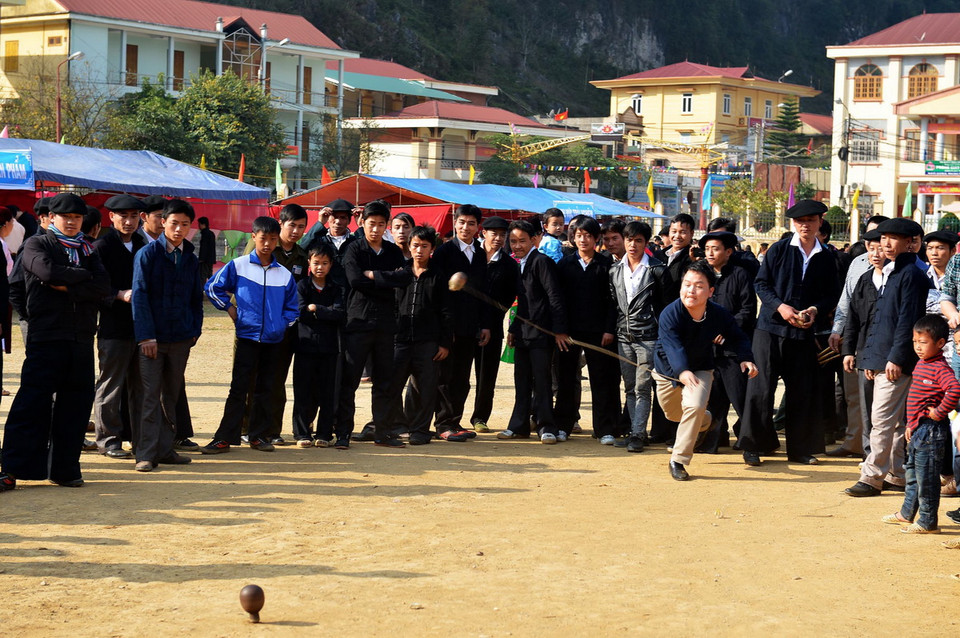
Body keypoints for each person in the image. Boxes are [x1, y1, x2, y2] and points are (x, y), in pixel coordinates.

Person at [0, 193, 110, 491]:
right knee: (32, 404)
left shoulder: (88, 248)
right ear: (52, 218)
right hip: (47, 336)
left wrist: (69, 286)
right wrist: (35, 317)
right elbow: (45, 273)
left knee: (75, 406)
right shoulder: (38, 243)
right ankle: (12, 468)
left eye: (77, 218)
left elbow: (102, 285)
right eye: (66, 217)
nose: (72, 222)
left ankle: (64, 469)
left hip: (81, 337)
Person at [739, 200, 840, 467]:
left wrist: (816, 310)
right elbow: (761, 283)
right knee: (760, 388)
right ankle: (752, 446)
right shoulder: (779, 250)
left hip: (804, 333)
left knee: (802, 391)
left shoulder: (828, 256)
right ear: (792, 224)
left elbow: (832, 294)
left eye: (810, 220)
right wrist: (781, 307)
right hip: (770, 329)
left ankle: (800, 449)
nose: (804, 225)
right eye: (799, 221)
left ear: (820, 222)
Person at [845, 217, 932, 496]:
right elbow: (877, 320)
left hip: (898, 360)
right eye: (883, 238)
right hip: (883, 357)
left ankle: (871, 477)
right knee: (893, 422)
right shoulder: (891, 272)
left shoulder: (912, 275)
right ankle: (896, 474)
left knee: (881, 419)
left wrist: (894, 358)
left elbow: (907, 320)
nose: (886, 243)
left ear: (911, 243)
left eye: (893, 238)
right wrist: (872, 359)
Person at [201, 216, 298, 454]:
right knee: (238, 389)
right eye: (263, 238)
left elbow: (293, 308)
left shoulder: (284, 274)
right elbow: (212, 287)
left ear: (277, 240)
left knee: (265, 389)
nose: (267, 244)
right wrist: (232, 309)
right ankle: (224, 438)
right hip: (247, 338)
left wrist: (281, 325)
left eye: (272, 239)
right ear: (253, 237)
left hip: (274, 341)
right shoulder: (238, 265)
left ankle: (258, 436)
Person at [655, 261, 757, 480]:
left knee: (694, 405)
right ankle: (706, 419)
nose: (691, 290)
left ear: (711, 291)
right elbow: (673, 346)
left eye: (699, 286)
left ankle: (678, 460)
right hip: (667, 369)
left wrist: (745, 359)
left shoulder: (719, 314)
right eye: (687, 284)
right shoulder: (669, 313)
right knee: (673, 413)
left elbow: (738, 336)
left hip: (701, 368)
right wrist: (682, 370)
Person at [131, 199, 203, 471]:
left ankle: (166, 449)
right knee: (150, 396)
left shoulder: (190, 259)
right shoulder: (147, 255)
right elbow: (139, 296)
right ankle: (146, 454)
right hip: (153, 340)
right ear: (163, 222)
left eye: (185, 224)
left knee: (171, 395)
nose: (179, 229)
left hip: (181, 338)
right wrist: (146, 336)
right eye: (174, 223)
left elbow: (197, 298)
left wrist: (194, 330)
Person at [335, 201, 412, 449]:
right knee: (350, 381)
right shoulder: (353, 248)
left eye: (381, 224)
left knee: (384, 382)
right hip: (358, 322)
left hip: (386, 324)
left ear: (386, 225)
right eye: (371, 223)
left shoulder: (391, 251)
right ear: (362, 223)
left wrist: (374, 275)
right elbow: (355, 280)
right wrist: (385, 280)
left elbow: (404, 278)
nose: (376, 229)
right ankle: (343, 433)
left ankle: (383, 432)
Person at [881, 314, 960, 533]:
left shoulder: (940, 368)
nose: (917, 347)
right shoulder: (921, 364)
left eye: (923, 342)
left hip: (932, 431)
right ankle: (907, 514)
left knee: (927, 478)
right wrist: (910, 425)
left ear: (941, 343)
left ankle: (927, 521)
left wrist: (940, 412)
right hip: (918, 430)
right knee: (913, 475)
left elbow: (954, 389)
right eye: (915, 342)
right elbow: (917, 400)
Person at [498, 219, 569, 443]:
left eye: (522, 241)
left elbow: (555, 297)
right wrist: (513, 328)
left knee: (542, 381)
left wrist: (559, 330)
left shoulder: (541, 262)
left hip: (542, 333)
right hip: (523, 333)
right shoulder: (519, 264)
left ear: (534, 240)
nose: (517, 246)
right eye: (513, 242)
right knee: (522, 380)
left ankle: (546, 425)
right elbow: (522, 302)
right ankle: (518, 426)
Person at [827, 215, 889, 458]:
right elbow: (847, 300)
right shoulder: (857, 264)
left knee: (881, 401)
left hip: (883, 344)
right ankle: (854, 442)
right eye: (869, 241)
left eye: (879, 240)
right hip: (856, 339)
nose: (874, 247)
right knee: (854, 395)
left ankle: (877, 453)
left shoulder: (901, 269)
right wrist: (837, 330)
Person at [248, 204, 309, 446]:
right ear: (281, 224)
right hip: (257, 324)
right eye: (292, 225)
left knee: (277, 379)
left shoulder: (303, 256)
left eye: (301, 226)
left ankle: (272, 430)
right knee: (253, 378)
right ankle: (249, 428)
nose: (296, 230)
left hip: (288, 326)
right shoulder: (262, 247)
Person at [555, 217, 620, 442]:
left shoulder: (606, 266)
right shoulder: (564, 265)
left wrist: (609, 329)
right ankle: (563, 424)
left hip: (598, 332)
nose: (583, 240)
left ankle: (605, 429)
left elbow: (613, 301)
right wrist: (560, 331)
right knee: (565, 379)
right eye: (579, 235)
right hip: (569, 333)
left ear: (596, 239)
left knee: (601, 380)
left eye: (588, 236)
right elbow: (558, 300)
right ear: (573, 237)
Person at [92, 194, 148, 460]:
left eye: (134, 216)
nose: (129, 222)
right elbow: (94, 286)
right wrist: (119, 294)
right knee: (110, 385)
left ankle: (141, 440)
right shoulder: (101, 246)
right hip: (114, 327)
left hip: (143, 328)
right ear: (111, 217)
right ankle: (108, 440)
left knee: (141, 386)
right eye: (123, 216)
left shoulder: (141, 242)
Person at [430, 204, 490, 439]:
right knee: (445, 377)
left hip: (471, 326)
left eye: (471, 223)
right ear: (455, 223)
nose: (466, 227)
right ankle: (443, 424)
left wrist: (485, 325)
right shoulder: (445, 252)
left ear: (478, 227)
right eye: (462, 222)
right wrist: (444, 328)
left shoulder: (479, 252)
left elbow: (484, 291)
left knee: (463, 378)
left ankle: (455, 421)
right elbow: (437, 292)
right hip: (449, 326)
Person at [391, 225, 454, 444]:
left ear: (432, 249)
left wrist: (445, 343)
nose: (419, 250)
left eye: (424, 246)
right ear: (409, 247)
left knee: (426, 388)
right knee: (393, 385)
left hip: (428, 341)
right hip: (399, 339)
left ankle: (420, 430)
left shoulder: (439, 276)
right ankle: (399, 426)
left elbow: (446, 311)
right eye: (415, 245)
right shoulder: (400, 273)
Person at [697, 230, 756, 452]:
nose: (710, 253)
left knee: (740, 397)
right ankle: (713, 440)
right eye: (708, 249)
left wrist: (727, 330)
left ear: (729, 252)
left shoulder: (740, 274)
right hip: (708, 348)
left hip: (733, 348)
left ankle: (751, 443)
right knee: (712, 399)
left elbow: (747, 309)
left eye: (716, 248)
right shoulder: (702, 275)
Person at [609, 221, 667, 450]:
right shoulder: (615, 270)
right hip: (624, 336)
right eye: (629, 240)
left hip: (649, 336)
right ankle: (635, 431)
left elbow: (664, 306)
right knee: (630, 387)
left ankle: (639, 434)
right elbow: (614, 303)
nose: (632, 245)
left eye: (638, 240)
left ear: (646, 243)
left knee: (643, 387)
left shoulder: (657, 269)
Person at [291, 243, 345, 447]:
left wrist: (317, 309)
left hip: (329, 348)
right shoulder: (302, 286)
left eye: (324, 263)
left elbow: (339, 314)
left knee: (327, 392)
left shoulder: (335, 288)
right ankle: (302, 433)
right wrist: (324, 311)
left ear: (331, 264)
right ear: (309, 263)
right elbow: (301, 312)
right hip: (305, 346)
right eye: (316, 263)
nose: (320, 267)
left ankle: (324, 433)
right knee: (303, 391)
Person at [470, 216, 518, 433]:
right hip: (464, 325)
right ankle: (448, 418)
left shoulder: (509, 264)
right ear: (483, 233)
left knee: (487, 376)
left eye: (502, 234)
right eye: (494, 233)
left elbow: (506, 300)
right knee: (456, 375)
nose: (498, 238)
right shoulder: (471, 256)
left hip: (491, 328)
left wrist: (488, 324)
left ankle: (480, 417)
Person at [196, 216, 216, 283]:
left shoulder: (205, 234)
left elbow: (204, 248)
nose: (199, 226)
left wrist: (201, 259)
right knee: (210, 275)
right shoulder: (211, 233)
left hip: (205, 259)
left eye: (199, 224)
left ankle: (202, 290)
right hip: (211, 259)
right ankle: (212, 288)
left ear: (203, 224)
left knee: (202, 275)